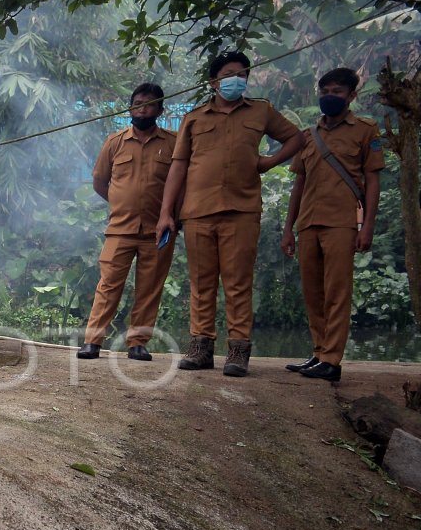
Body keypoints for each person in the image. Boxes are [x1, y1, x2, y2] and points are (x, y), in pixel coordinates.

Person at [156, 51, 304, 377]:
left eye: (242, 74)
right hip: (197, 212)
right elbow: (178, 166)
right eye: (228, 73)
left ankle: (238, 352)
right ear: (213, 81)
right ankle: (200, 349)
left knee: (238, 283)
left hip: (242, 210)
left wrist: (267, 162)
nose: (236, 79)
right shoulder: (194, 118)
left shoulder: (261, 111)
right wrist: (167, 212)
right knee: (201, 283)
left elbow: (296, 137)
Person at [279, 68, 384, 382]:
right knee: (313, 292)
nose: (329, 97)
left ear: (351, 96)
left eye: (337, 92)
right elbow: (298, 183)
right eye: (325, 91)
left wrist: (367, 226)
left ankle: (332, 359)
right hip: (308, 222)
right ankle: (319, 352)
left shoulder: (366, 130)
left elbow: (373, 181)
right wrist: (288, 228)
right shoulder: (309, 136)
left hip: (342, 223)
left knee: (337, 291)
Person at [77, 83, 178, 361]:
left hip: (157, 231)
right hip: (120, 229)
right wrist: (121, 202)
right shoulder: (115, 142)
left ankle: (138, 343)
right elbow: (99, 180)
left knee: (149, 287)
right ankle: (93, 341)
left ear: (159, 109)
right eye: (136, 103)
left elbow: (182, 182)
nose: (141, 108)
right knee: (109, 284)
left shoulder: (173, 142)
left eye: (148, 104)